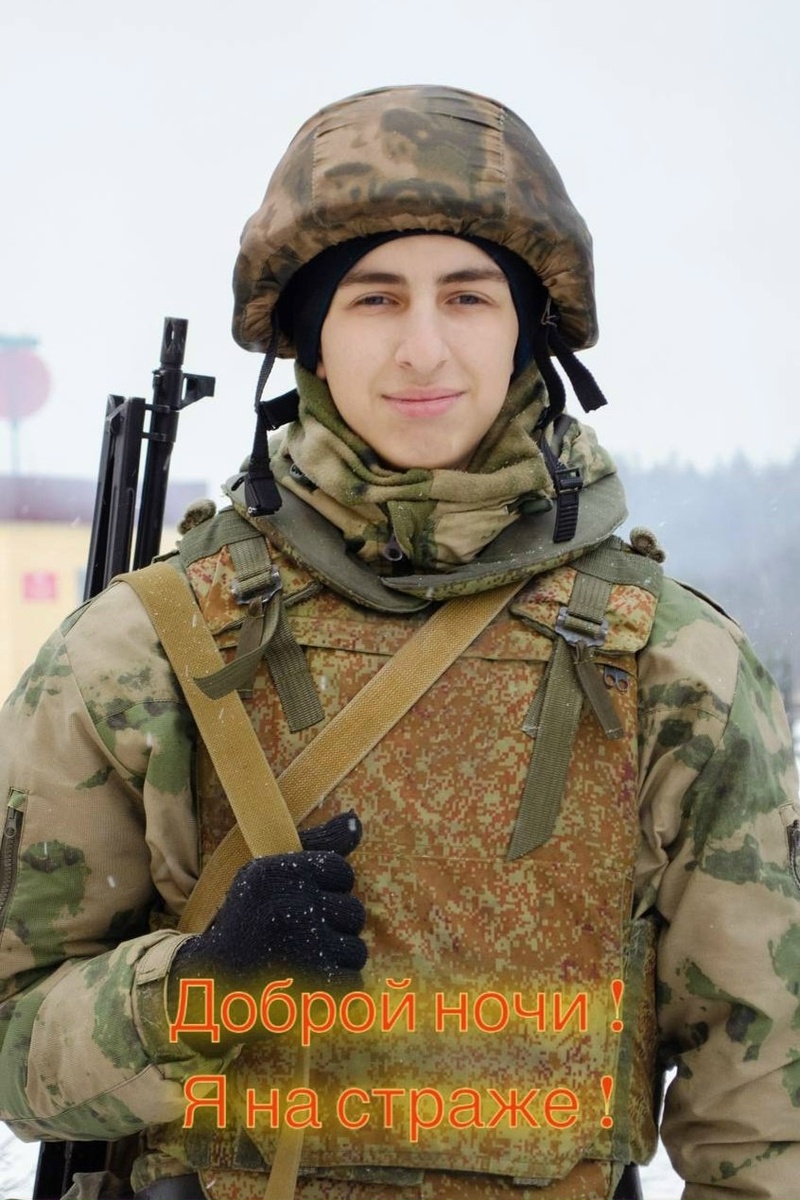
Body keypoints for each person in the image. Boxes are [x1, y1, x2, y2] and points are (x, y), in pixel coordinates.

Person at [0, 84, 798, 1200]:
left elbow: (764, 1115)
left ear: (526, 327)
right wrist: (198, 989)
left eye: (468, 295)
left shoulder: (670, 663)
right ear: (311, 339)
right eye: (374, 298)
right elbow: (17, 1052)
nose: (424, 349)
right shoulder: (140, 651)